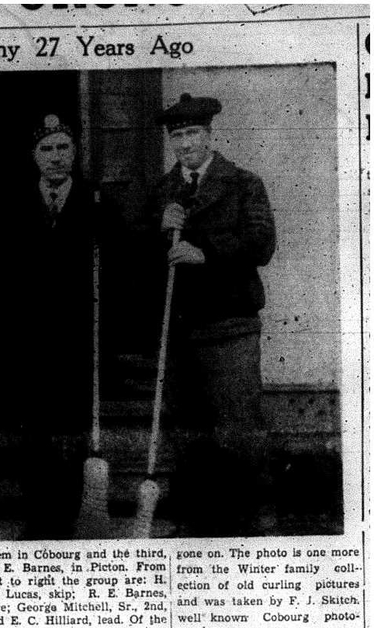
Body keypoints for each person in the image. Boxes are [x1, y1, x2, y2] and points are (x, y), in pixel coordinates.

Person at [0, 114, 118, 540]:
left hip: (79, 337)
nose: (56, 156)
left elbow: (118, 272)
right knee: (34, 429)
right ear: (33, 155)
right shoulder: (12, 204)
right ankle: (39, 516)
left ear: (75, 152)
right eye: (46, 148)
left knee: (74, 428)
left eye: (63, 147)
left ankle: (74, 513)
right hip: (30, 338)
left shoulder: (97, 202)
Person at [147, 93, 277, 535]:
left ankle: (250, 525)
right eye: (177, 136)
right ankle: (194, 527)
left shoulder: (243, 183)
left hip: (229, 326)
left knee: (239, 429)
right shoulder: (163, 191)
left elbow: (261, 243)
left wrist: (205, 253)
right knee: (187, 430)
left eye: (192, 133)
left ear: (209, 135)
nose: (185, 143)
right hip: (180, 327)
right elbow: (141, 255)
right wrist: (158, 229)